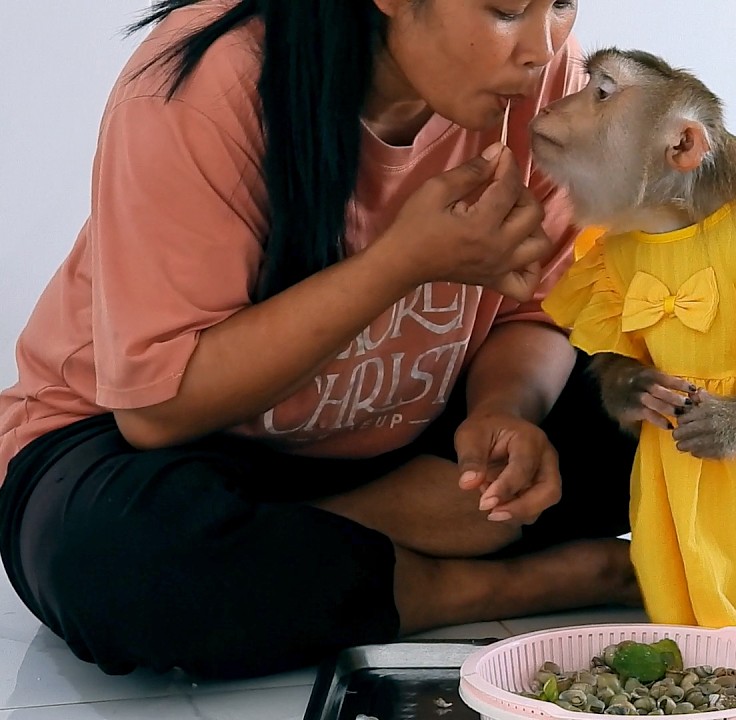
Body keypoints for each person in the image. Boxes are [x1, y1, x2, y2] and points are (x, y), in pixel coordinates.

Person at [0, 0, 638, 681]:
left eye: (561, 4)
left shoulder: (544, 82)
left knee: (663, 406)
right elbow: (157, 413)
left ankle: (302, 545)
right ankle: (501, 582)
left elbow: (536, 312)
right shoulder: (197, 83)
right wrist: (400, 264)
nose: (543, 47)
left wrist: (503, 416)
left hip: (406, 435)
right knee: (123, 562)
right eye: (506, 9)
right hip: (157, 445)